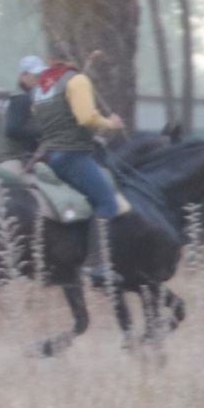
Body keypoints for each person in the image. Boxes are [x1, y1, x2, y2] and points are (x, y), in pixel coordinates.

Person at [30, 56, 125, 284]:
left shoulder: (41, 88)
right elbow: (86, 117)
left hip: (50, 156)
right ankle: (97, 265)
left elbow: (46, 120)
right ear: (72, 63)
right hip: (73, 155)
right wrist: (110, 124)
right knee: (107, 201)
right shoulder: (77, 80)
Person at [0, 55, 45, 183]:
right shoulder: (21, 98)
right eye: (35, 75)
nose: (38, 78)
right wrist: (43, 131)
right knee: (42, 186)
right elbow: (13, 129)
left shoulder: (20, 97)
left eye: (39, 75)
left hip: (11, 159)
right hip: (12, 160)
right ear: (23, 76)